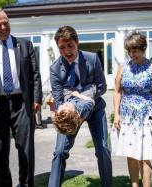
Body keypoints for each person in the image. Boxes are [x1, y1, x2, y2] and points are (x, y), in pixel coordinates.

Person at [0, 9, 42, 187]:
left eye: (6, 23)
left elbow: (35, 74)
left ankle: (26, 184)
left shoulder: (25, 45)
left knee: (26, 148)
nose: (4, 27)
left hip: (22, 103)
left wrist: (36, 98)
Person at [48, 26, 112, 187]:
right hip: (70, 112)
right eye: (62, 47)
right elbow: (58, 97)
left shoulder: (92, 58)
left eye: (70, 46)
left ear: (77, 43)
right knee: (60, 151)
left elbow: (102, 86)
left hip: (95, 109)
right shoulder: (55, 69)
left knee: (103, 149)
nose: (67, 51)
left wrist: (85, 97)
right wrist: (66, 106)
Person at [113, 31, 152, 187]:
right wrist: (116, 114)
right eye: (129, 51)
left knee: (145, 155)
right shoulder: (122, 67)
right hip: (127, 116)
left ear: (143, 48)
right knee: (131, 154)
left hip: (147, 117)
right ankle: (134, 185)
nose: (132, 54)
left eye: (135, 50)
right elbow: (117, 92)